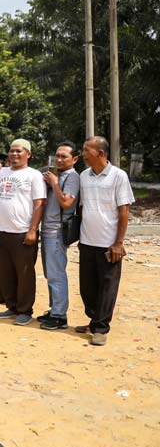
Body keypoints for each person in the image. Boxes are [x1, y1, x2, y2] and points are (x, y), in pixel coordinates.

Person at [0, 139, 46, 326]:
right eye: (11, 151)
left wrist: (33, 230)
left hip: (23, 232)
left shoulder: (34, 175)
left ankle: (25, 310)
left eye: (19, 151)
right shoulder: (1, 173)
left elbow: (39, 204)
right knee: (6, 272)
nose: (14, 154)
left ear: (28, 154)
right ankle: (12, 306)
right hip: (2, 231)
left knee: (24, 274)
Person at [75, 136, 134, 346]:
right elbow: (81, 208)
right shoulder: (83, 176)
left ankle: (100, 328)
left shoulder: (119, 176)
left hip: (109, 244)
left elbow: (124, 211)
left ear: (100, 153)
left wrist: (118, 243)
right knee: (87, 287)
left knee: (107, 288)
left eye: (86, 150)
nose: (83, 154)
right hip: (87, 241)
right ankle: (94, 319)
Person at [38, 142, 80, 330]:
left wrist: (54, 183)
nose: (59, 159)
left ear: (75, 159)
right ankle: (54, 308)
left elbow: (66, 202)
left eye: (64, 156)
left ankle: (59, 315)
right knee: (50, 273)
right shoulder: (57, 175)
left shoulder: (72, 177)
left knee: (56, 274)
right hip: (47, 230)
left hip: (57, 231)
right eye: (57, 155)